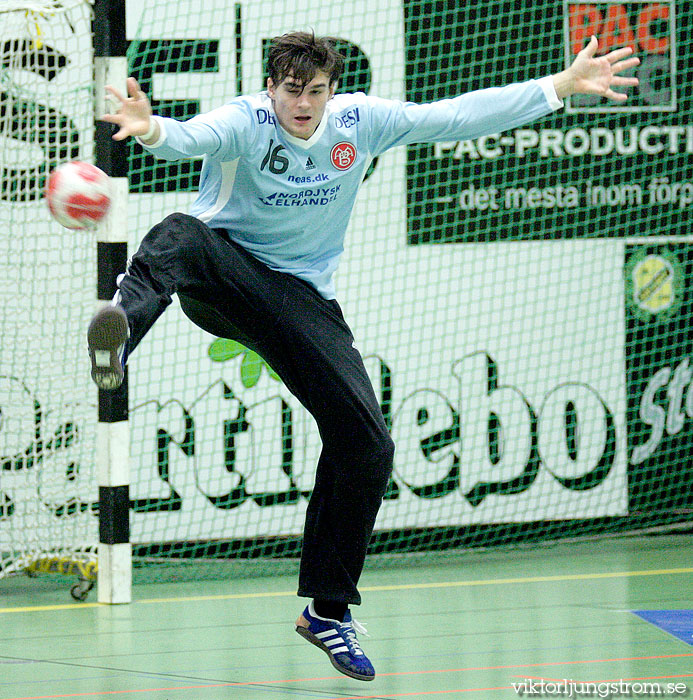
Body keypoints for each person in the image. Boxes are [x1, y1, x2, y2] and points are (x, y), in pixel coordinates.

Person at [88, 31, 639, 681]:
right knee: (179, 232)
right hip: (223, 279)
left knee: (367, 444)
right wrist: (151, 130)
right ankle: (121, 330)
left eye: (315, 91)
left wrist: (559, 87)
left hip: (301, 301)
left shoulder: (358, 122)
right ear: (272, 87)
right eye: (292, 90)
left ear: (330, 90)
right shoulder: (246, 120)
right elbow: (192, 138)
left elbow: (454, 116)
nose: (303, 104)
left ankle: (326, 612)